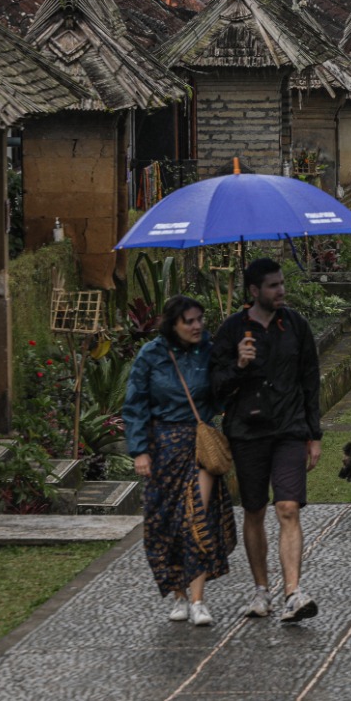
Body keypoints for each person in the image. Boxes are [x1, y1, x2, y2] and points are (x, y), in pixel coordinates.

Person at [211, 257, 322, 624]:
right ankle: (262, 590)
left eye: (282, 283)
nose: (281, 290)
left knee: (288, 508)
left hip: (289, 428)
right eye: (273, 285)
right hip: (247, 431)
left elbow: (310, 378)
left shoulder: (295, 325)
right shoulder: (231, 331)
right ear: (254, 291)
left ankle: (293, 592)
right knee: (254, 510)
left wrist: (314, 434)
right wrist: (238, 366)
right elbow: (214, 386)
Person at [124, 295, 237, 627]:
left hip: (200, 445)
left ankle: (199, 599)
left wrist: (237, 366)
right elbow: (135, 404)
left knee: (196, 518)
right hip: (163, 448)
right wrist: (140, 450)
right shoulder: (151, 356)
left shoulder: (210, 352)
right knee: (167, 524)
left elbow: (221, 395)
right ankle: (178, 595)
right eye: (189, 321)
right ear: (173, 324)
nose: (197, 325)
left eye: (200, 319)